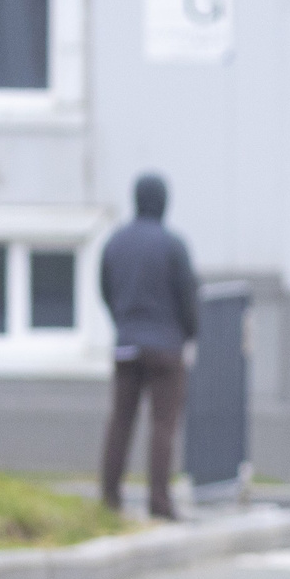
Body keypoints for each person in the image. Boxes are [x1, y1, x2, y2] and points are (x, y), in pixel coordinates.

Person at [98, 173, 199, 520]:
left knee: (120, 421)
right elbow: (188, 297)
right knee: (163, 424)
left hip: (126, 344)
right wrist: (188, 334)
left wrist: (123, 324)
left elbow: (106, 289)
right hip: (166, 348)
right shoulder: (173, 246)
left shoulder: (115, 243)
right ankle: (159, 501)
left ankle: (110, 497)